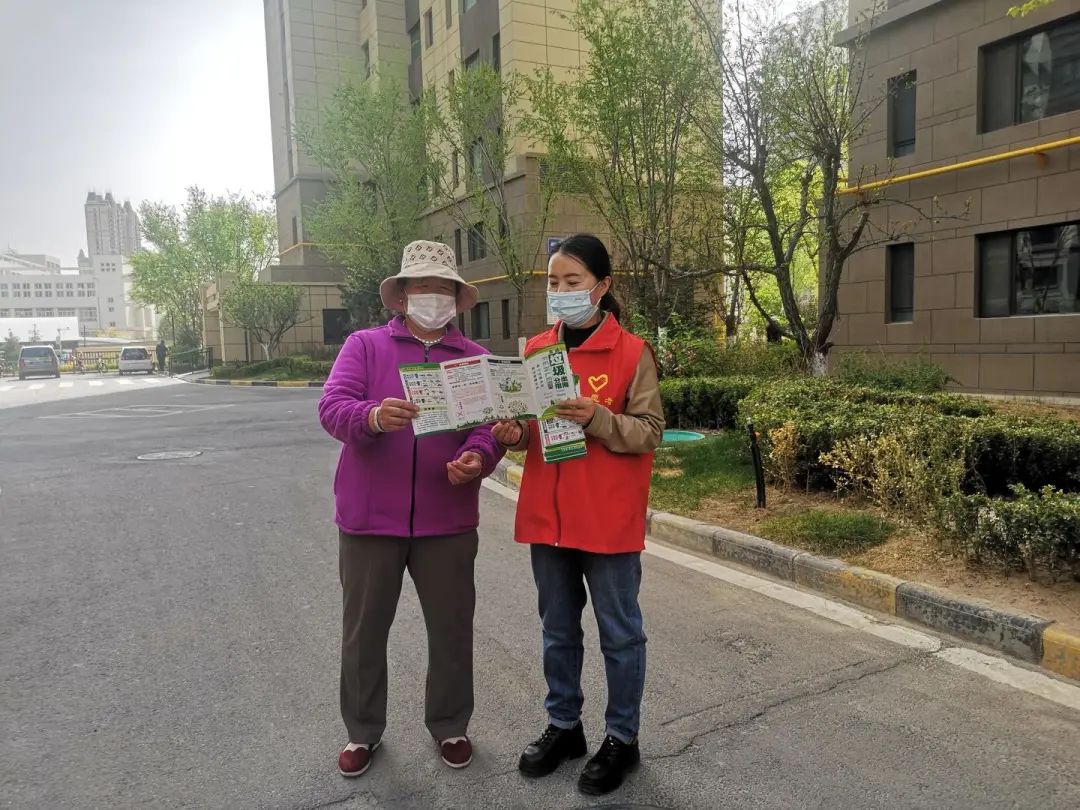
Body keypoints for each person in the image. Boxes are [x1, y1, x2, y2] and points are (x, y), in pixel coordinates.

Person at [318, 240, 505, 779]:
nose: (433, 297)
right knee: (363, 633)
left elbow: (488, 429)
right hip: (370, 519)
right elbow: (332, 407)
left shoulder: (474, 359)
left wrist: (478, 456)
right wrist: (373, 417)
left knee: (452, 629)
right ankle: (362, 731)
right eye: (423, 287)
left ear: (457, 298)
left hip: (448, 520)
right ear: (401, 296)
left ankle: (450, 724)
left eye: (443, 288)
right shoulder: (365, 346)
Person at [492, 234, 664, 797]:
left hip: (607, 518)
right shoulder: (538, 350)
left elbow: (649, 432)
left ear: (602, 286)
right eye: (553, 282)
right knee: (557, 630)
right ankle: (564, 725)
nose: (561, 291)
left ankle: (622, 737)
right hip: (549, 516)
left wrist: (598, 419)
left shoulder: (631, 353)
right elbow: (533, 430)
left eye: (573, 281)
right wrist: (515, 434)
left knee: (620, 634)